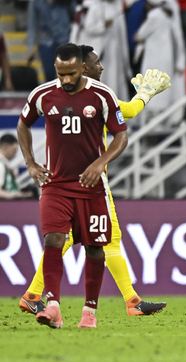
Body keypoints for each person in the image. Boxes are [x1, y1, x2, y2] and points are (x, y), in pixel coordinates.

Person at [18, 45, 171, 318]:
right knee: (92, 240)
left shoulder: (99, 97)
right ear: (83, 68)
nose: (101, 67)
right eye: (96, 62)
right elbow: (130, 111)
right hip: (89, 182)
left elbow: (124, 116)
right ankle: (36, 295)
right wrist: (146, 94)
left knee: (88, 240)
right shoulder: (88, 96)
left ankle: (129, 299)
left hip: (84, 180)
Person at [17, 43, 128, 329]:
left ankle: (89, 313)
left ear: (82, 68)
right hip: (55, 184)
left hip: (92, 186)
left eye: (71, 74)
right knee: (53, 240)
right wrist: (30, 162)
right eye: (60, 73)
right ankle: (52, 306)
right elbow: (22, 125)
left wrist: (99, 163)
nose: (65, 80)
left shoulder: (102, 95)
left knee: (94, 248)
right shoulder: (42, 94)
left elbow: (121, 136)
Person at [134, 0, 185, 119]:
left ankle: (151, 119)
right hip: (166, 58)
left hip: (154, 59)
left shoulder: (154, 15)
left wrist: (138, 37)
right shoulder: (167, 17)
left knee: (151, 91)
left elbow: (139, 36)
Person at [77, 0, 132, 99]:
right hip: (103, 53)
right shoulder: (95, 6)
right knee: (105, 79)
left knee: (117, 80)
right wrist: (103, 25)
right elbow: (88, 28)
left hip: (116, 50)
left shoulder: (117, 6)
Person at [26, 0, 74, 82]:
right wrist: (30, 47)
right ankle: (52, 93)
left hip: (64, 39)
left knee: (66, 73)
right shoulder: (35, 2)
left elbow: (74, 15)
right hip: (46, 41)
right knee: (49, 73)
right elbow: (32, 24)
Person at [0, 134, 33, 199]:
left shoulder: (4, 164)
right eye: (14, 149)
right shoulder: (0, 164)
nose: (15, 153)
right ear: (5, 147)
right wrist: (16, 196)